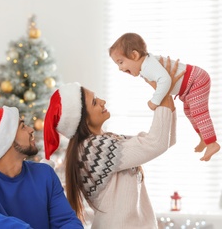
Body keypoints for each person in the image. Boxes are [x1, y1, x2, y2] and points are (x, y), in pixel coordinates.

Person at [40, 57, 180, 229]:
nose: (102, 102)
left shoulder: (108, 141)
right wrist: (162, 90)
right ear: (82, 119)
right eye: (94, 102)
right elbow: (156, 143)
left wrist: (166, 94)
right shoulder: (92, 149)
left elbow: (166, 139)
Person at [0, 106, 83, 229]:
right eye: (22, 127)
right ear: (6, 140)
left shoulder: (45, 174)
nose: (31, 130)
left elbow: (66, 221)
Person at [109, 32, 220, 161]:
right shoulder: (146, 66)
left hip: (196, 80)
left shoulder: (147, 66)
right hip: (190, 85)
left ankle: (212, 143)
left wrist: (154, 101)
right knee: (189, 112)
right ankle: (204, 138)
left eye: (121, 62)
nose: (120, 68)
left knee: (198, 112)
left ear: (134, 55)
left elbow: (165, 80)